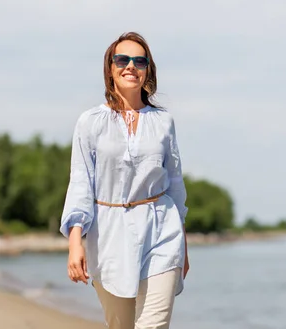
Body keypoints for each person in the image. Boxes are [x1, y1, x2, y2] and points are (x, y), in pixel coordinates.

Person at [60, 31, 190, 329]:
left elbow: (175, 184)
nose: (131, 66)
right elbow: (81, 181)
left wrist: (183, 243)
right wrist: (75, 242)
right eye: (122, 59)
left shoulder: (163, 122)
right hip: (107, 233)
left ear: (148, 71)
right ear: (111, 68)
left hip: (162, 230)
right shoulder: (90, 122)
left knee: (153, 325)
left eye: (139, 61)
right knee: (121, 324)